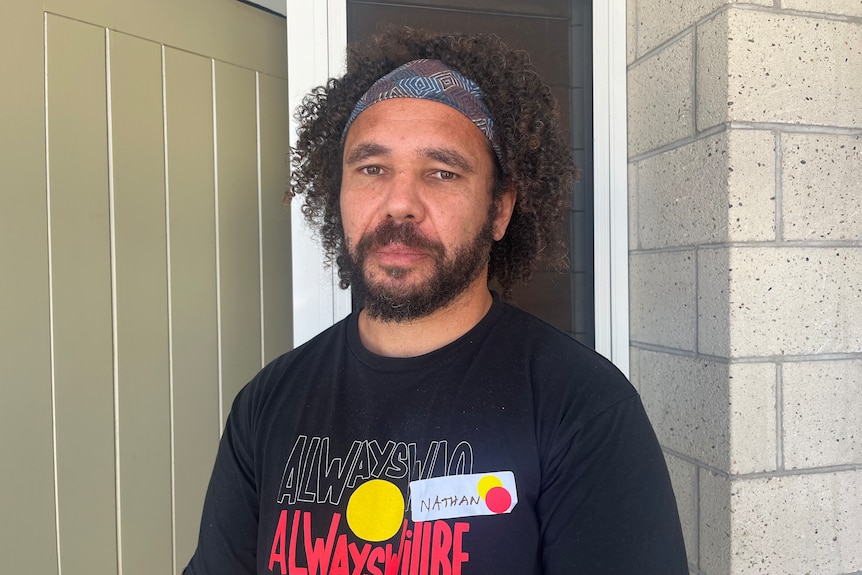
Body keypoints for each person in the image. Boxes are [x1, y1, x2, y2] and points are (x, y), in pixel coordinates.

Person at [185, 27, 688, 575]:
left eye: (442, 173)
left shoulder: (582, 408)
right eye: (372, 169)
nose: (399, 204)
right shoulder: (267, 404)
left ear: (499, 211)